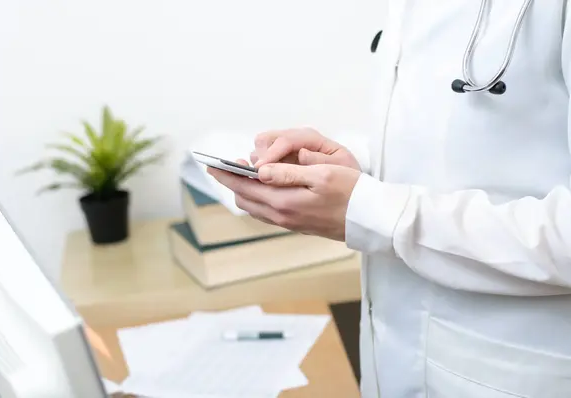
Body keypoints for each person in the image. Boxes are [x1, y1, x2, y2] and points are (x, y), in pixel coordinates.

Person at [208, 2, 571, 397]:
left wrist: (372, 211)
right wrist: (350, 171)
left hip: (517, 373)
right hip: (396, 358)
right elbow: (456, 150)